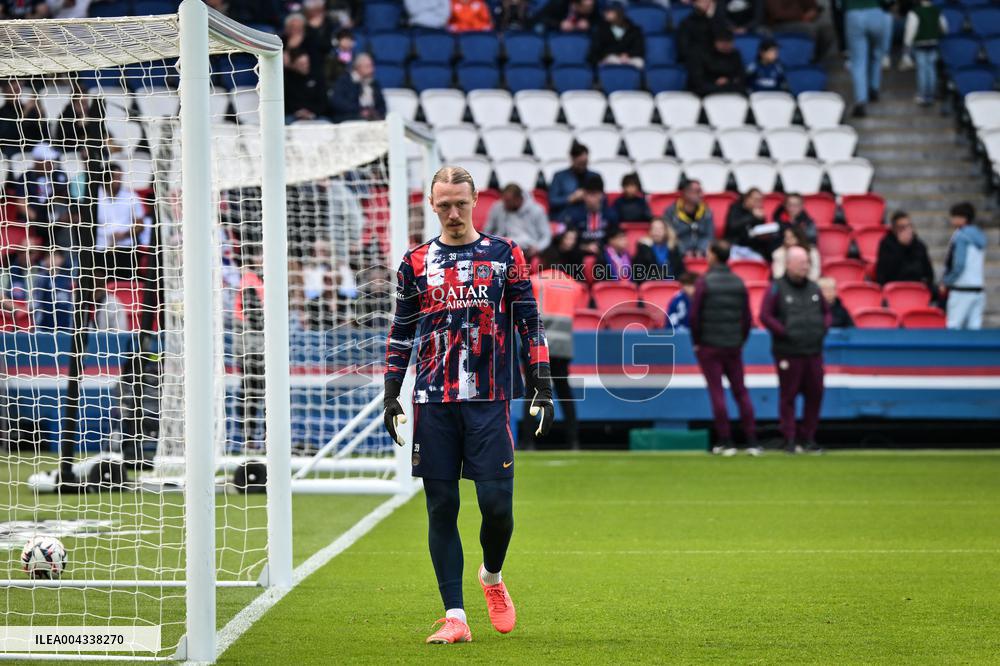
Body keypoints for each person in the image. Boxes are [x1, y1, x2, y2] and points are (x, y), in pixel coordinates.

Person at [383, 165, 552, 644]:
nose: (453, 213)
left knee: (496, 507)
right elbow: (401, 331)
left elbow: (529, 321)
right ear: (431, 205)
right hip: (433, 401)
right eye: (443, 205)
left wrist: (541, 381)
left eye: (460, 203)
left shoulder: (504, 255)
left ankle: (492, 578)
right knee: (442, 506)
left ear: (475, 200)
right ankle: (455, 615)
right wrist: (391, 392)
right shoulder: (415, 262)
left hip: (488, 398)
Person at [690, 240, 759, 455]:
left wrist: (698, 342)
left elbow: (694, 316)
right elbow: (747, 318)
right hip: (733, 346)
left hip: (710, 346)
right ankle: (752, 441)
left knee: (717, 392)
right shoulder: (739, 282)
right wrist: (740, 339)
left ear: (712, 255)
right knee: (741, 392)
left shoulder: (704, 282)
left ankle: (726, 441)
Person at [760, 246, 830, 454]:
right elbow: (765, 316)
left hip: (813, 351)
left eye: (807, 263)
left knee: (815, 394)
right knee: (788, 396)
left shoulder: (814, 289)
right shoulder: (776, 288)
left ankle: (808, 438)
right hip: (788, 352)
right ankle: (789, 438)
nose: (805, 267)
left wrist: (822, 328)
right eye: (801, 263)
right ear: (789, 264)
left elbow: (827, 313)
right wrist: (784, 332)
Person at [530, 265, 580, 449]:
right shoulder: (573, 284)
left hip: (538, 346)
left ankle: (528, 442)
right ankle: (574, 441)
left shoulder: (536, 281)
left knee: (532, 393)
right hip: (563, 346)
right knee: (565, 393)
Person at [95, 163, 148, 281]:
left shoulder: (131, 196)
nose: (118, 181)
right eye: (115, 177)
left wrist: (123, 235)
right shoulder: (94, 197)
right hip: (100, 249)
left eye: (120, 177)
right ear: (106, 178)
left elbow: (140, 225)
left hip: (125, 249)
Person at [941, 202, 987, 330]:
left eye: (953, 217)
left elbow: (959, 264)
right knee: (975, 331)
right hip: (978, 290)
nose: (951, 220)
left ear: (962, 218)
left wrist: (946, 281)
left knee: (953, 328)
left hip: (962, 290)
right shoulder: (980, 236)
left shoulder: (961, 236)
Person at [845, 0, 892, 117]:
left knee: (858, 61)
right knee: (876, 54)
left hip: (854, 13)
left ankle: (861, 101)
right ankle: (874, 88)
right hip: (876, 13)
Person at [21, 143, 71, 249]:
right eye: (47, 161)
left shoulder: (58, 174)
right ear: (38, 161)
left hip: (57, 217)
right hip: (35, 220)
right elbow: (20, 203)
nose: (51, 164)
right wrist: (39, 220)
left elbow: (64, 197)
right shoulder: (26, 177)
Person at [485, 184, 551, 260]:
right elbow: (488, 230)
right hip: (502, 245)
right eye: (504, 200)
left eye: (508, 201)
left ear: (519, 199)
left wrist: (538, 248)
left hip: (527, 247)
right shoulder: (498, 207)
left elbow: (546, 236)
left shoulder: (537, 210)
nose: (505, 204)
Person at [283, 13, 329, 122]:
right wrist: (298, 112)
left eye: (299, 27)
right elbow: (284, 102)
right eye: (293, 27)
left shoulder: (313, 42)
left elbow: (323, 103)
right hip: (292, 114)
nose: (296, 30)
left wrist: (311, 112)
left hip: (314, 114)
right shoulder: (286, 78)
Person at [559, 174, 619, 256]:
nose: (590, 198)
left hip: (603, 253)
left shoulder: (611, 214)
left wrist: (601, 247)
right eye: (588, 194)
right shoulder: (574, 214)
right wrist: (585, 247)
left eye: (594, 194)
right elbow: (570, 239)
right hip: (579, 252)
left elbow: (614, 238)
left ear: (601, 195)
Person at [902, 0, 947, 107]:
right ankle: (931, 95)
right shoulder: (936, 11)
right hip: (933, 43)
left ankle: (923, 95)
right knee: (931, 68)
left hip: (920, 44)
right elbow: (944, 28)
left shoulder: (915, 12)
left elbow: (910, 30)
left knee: (922, 69)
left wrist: (906, 46)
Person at [875, 211, 934, 290]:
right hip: (894, 290)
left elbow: (928, 273)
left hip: (915, 289)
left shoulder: (919, 246)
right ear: (894, 229)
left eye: (909, 226)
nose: (907, 230)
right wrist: (901, 247)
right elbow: (884, 273)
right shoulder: (886, 244)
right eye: (902, 227)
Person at [765, 0, 835, 61]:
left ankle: (816, 60)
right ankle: (807, 58)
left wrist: (813, 11)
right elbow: (777, 14)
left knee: (827, 30)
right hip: (780, 24)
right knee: (809, 29)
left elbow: (812, 6)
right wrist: (802, 17)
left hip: (802, 20)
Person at [724, 187, 780, 261]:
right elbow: (732, 227)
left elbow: (759, 231)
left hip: (753, 248)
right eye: (756, 200)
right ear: (747, 199)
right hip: (735, 246)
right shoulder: (735, 208)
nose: (758, 203)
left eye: (760, 200)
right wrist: (752, 217)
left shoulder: (759, 213)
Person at [329, 53, 386, 123]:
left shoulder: (374, 84)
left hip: (372, 119)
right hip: (349, 118)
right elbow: (338, 103)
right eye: (368, 66)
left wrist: (373, 112)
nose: (372, 70)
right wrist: (360, 110)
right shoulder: (345, 81)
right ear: (358, 67)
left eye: (372, 66)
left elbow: (382, 106)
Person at [689, 26, 746, 97]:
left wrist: (728, 80)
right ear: (715, 41)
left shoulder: (735, 54)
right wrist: (715, 82)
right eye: (722, 41)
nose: (726, 45)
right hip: (707, 90)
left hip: (730, 89)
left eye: (729, 41)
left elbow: (741, 76)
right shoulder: (701, 54)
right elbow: (697, 79)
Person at [663, 179, 714, 257]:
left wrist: (701, 249)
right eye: (697, 191)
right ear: (686, 193)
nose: (701, 195)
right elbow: (670, 236)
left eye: (701, 191)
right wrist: (683, 250)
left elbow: (709, 236)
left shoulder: (707, 211)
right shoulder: (671, 212)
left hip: (702, 253)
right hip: (679, 253)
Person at [548, 141, 598, 219]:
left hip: (589, 218)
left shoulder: (595, 177)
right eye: (580, 163)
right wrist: (571, 198)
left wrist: (591, 198)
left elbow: (603, 199)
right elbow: (553, 201)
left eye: (585, 163)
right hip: (566, 217)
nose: (582, 166)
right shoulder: (559, 176)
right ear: (572, 159)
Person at [0, 79, 47, 158]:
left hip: (32, 148)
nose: (16, 93)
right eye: (14, 89)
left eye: (18, 89)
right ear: (5, 90)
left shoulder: (29, 109)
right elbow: (8, 137)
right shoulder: (2, 112)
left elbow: (42, 135)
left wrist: (41, 116)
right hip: (12, 149)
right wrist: (24, 114)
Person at [590, 1, 644, 68]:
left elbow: (639, 48)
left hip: (629, 59)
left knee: (639, 62)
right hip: (609, 60)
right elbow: (596, 50)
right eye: (606, 11)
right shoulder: (601, 29)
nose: (606, 13)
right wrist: (615, 56)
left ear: (619, 13)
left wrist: (628, 54)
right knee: (611, 59)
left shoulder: (634, 29)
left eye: (610, 11)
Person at [633, 218, 686, 282]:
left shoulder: (673, 248)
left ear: (666, 231)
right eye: (654, 228)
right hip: (652, 285)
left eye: (660, 229)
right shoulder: (643, 248)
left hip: (672, 285)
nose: (657, 232)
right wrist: (646, 249)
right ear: (650, 231)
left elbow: (680, 272)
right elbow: (638, 274)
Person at [677, 0, 728, 64]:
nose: (705, 4)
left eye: (707, 1)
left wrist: (711, 17)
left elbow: (723, 44)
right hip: (697, 62)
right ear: (695, 4)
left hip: (718, 61)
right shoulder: (686, 24)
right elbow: (683, 50)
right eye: (701, 1)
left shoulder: (718, 21)